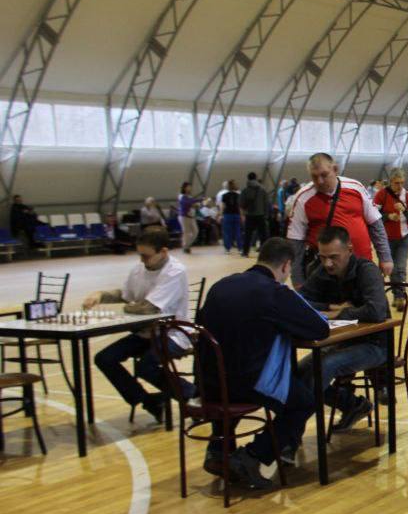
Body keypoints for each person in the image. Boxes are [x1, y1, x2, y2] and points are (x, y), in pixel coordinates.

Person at [195, 237, 331, 488]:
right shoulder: (273, 292)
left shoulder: (221, 285)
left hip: (208, 381)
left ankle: (218, 450)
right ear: (286, 265)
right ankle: (252, 456)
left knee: (227, 375)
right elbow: (319, 329)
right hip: (247, 382)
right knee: (303, 402)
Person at [86, 229, 194, 425]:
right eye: (140, 255)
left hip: (173, 333)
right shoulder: (139, 269)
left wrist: (128, 308)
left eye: (146, 256)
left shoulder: (175, 271)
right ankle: (149, 401)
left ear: (163, 252)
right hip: (145, 333)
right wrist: (101, 295)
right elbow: (125, 295)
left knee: (145, 366)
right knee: (104, 358)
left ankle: (192, 394)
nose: (142, 260)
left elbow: (148, 308)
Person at [297, 226, 390, 430]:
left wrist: (340, 313)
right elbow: (299, 301)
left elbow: (376, 311)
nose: (327, 263)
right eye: (322, 257)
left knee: (324, 366)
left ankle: (291, 429)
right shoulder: (322, 271)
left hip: (376, 345)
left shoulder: (367, 270)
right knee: (297, 372)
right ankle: (352, 405)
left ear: (349, 249)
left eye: (333, 257)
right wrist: (330, 307)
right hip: (341, 342)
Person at [286, 152, 393, 287]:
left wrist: (385, 257)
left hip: (362, 266)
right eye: (314, 176)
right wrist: (297, 280)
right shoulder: (302, 198)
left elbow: (375, 224)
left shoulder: (356, 187)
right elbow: (295, 242)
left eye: (324, 175)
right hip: (325, 272)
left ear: (335, 169)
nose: (320, 181)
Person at [373, 168, 408, 309]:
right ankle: (379, 298)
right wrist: (388, 216)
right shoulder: (381, 194)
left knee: (400, 267)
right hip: (385, 238)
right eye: (397, 183)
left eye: (402, 183)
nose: (400, 186)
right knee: (386, 268)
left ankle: (399, 297)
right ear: (391, 181)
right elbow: (373, 214)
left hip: (405, 237)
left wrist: (404, 209)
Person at [239, 171, 270, 256]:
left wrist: (243, 215)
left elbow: (241, 204)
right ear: (256, 178)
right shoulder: (262, 190)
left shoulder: (245, 190)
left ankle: (245, 252)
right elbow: (266, 203)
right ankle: (264, 253)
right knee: (263, 235)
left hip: (249, 215)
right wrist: (266, 215)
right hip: (261, 215)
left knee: (247, 235)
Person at [219, 179, 242, 255]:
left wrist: (221, 215)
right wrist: (242, 215)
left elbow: (222, 206)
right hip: (236, 214)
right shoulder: (238, 195)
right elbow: (240, 207)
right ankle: (240, 248)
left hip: (227, 215)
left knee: (227, 233)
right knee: (238, 232)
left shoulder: (224, 195)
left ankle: (227, 249)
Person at [178, 181, 198, 254]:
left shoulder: (190, 196)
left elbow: (193, 204)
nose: (190, 188)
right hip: (184, 217)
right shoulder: (181, 196)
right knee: (186, 232)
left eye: (190, 187)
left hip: (191, 216)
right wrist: (197, 200)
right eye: (188, 187)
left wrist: (196, 204)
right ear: (184, 188)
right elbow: (187, 203)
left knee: (195, 231)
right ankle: (186, 247)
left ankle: (186, 245)